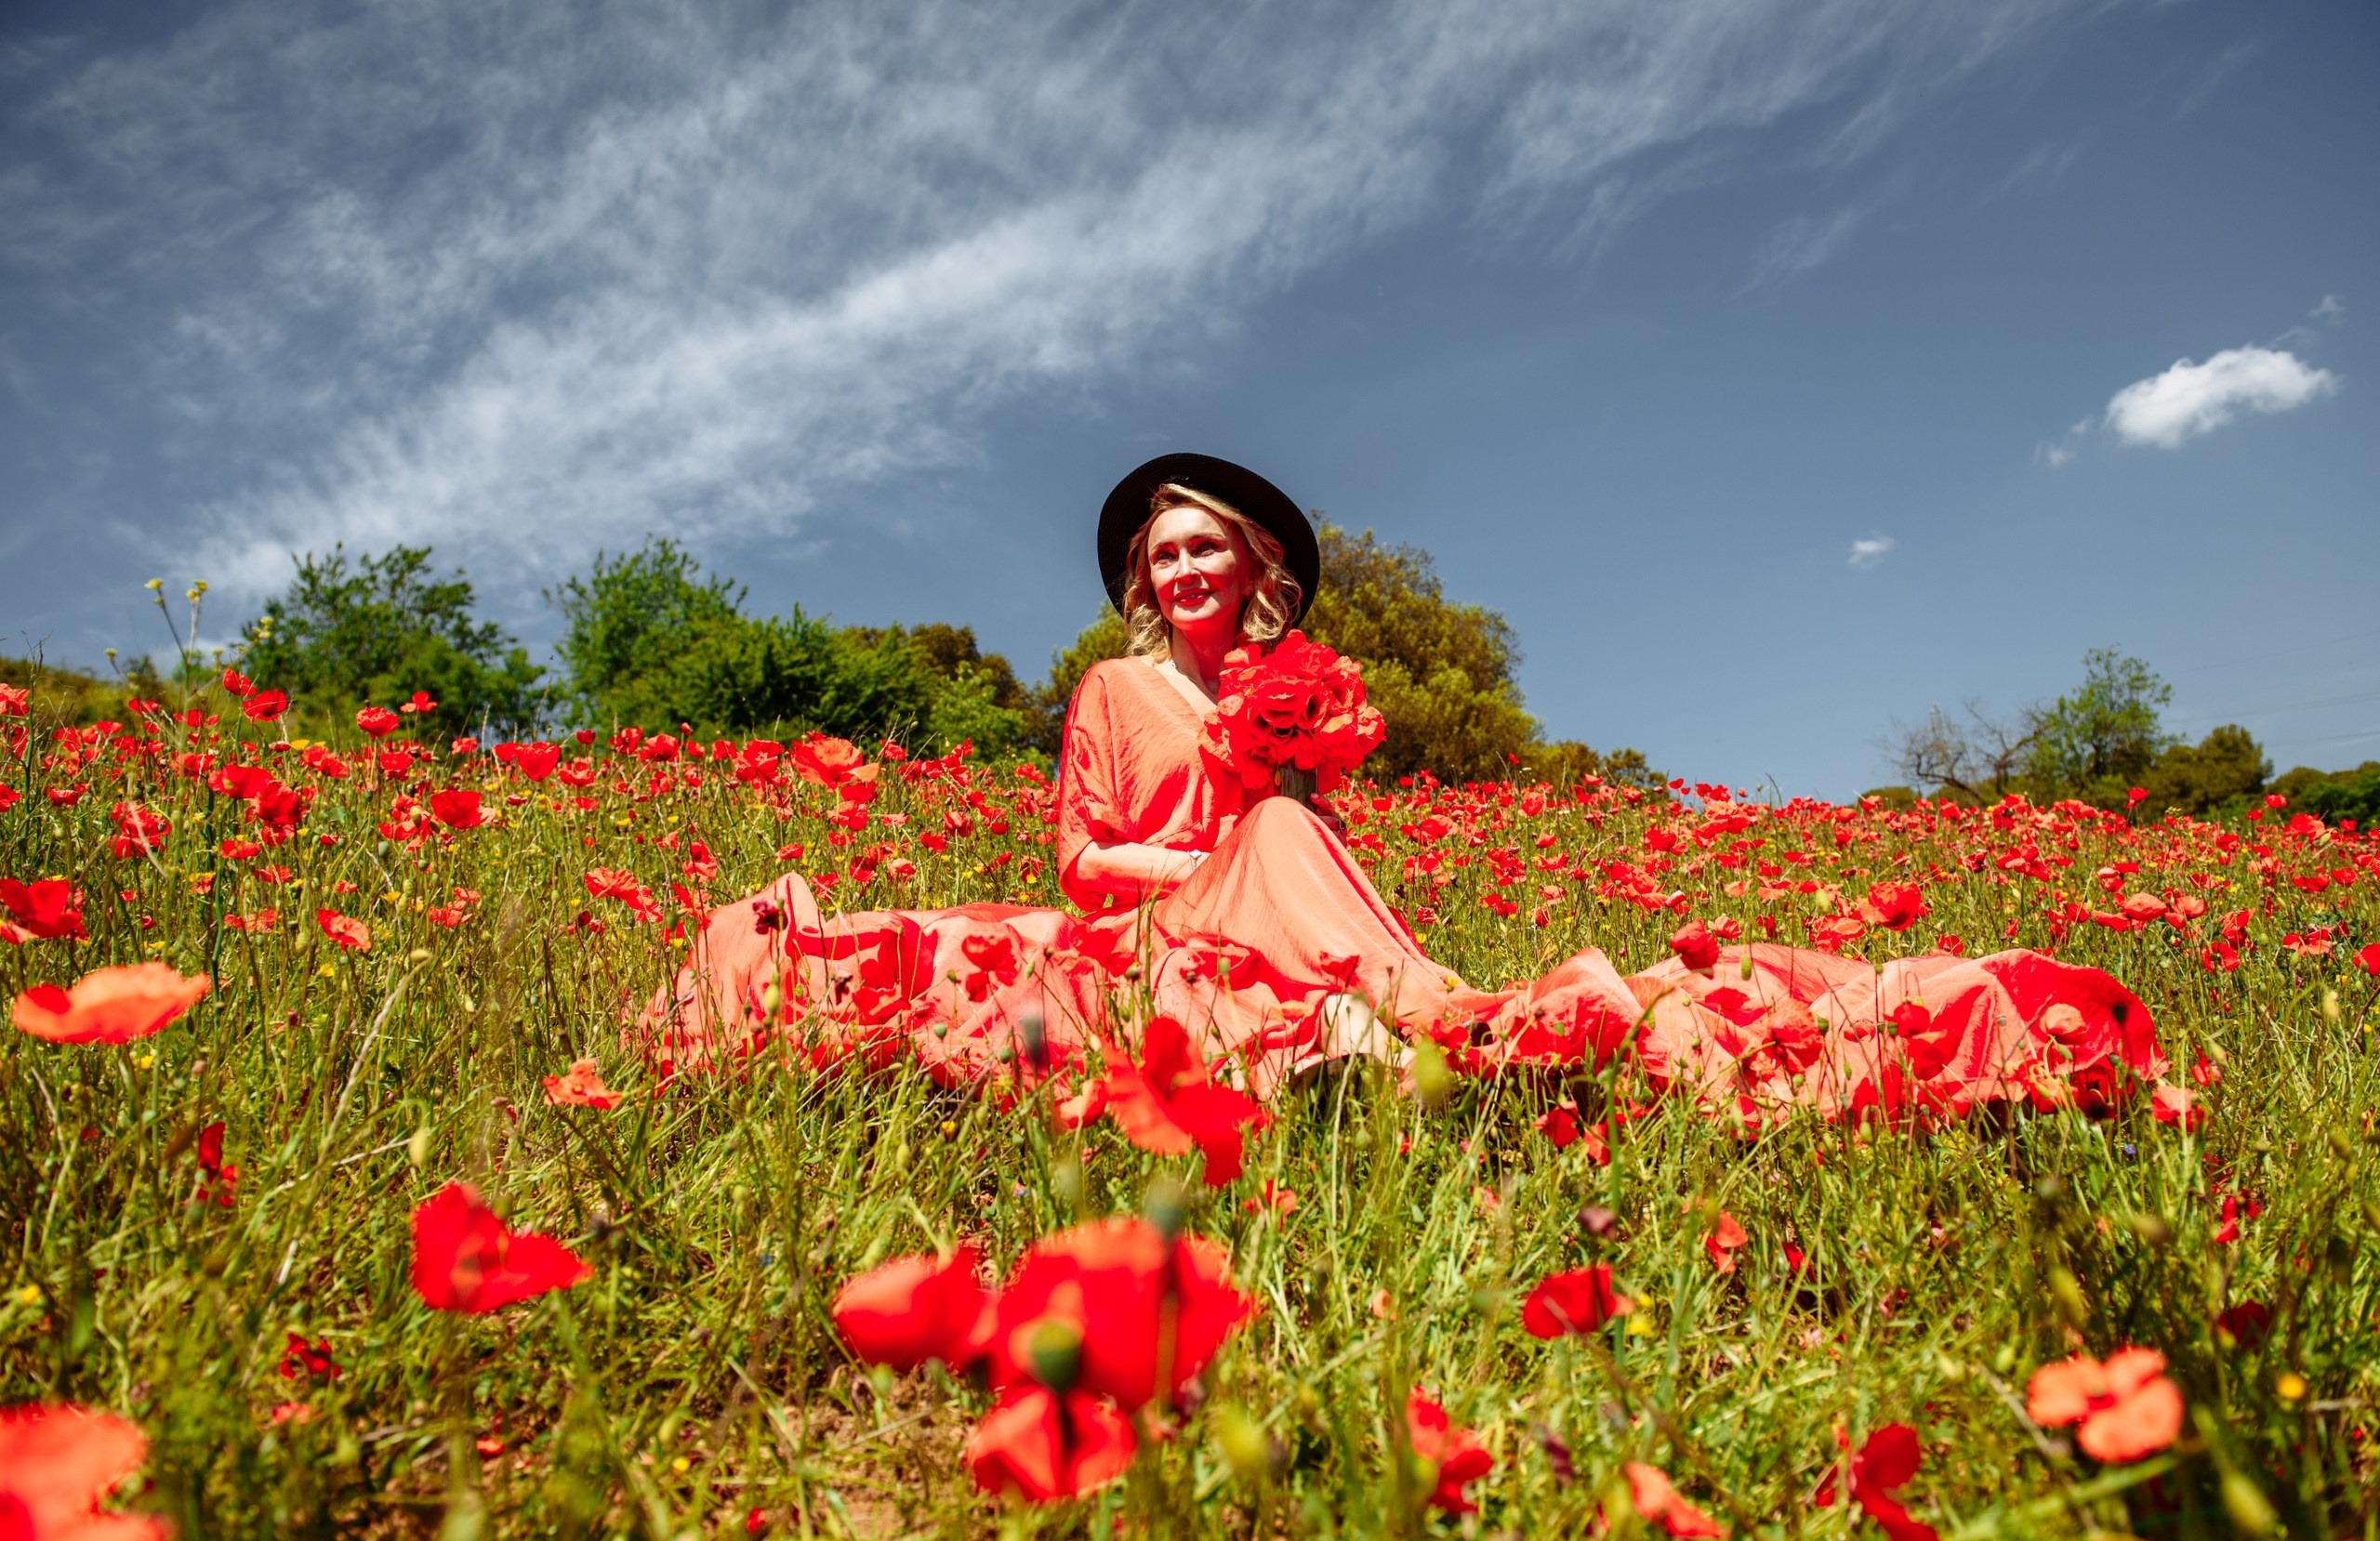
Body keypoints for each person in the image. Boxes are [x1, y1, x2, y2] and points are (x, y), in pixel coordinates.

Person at [641, 454, 2176, 1126]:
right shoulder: (1109, 692)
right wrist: (1191, 854)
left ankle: (1396, 1023)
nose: (1182, 567)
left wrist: (1273, 780)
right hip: (1146, 916)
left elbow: (1315, 838)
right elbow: (1083, 855)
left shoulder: (1292, 683)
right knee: (1266, 836)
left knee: (1299, 820)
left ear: (1252, 566)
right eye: (1160, 551)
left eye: (1206, 546)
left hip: (1276, 886)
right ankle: (1380, 1027)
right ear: (1141, 577)